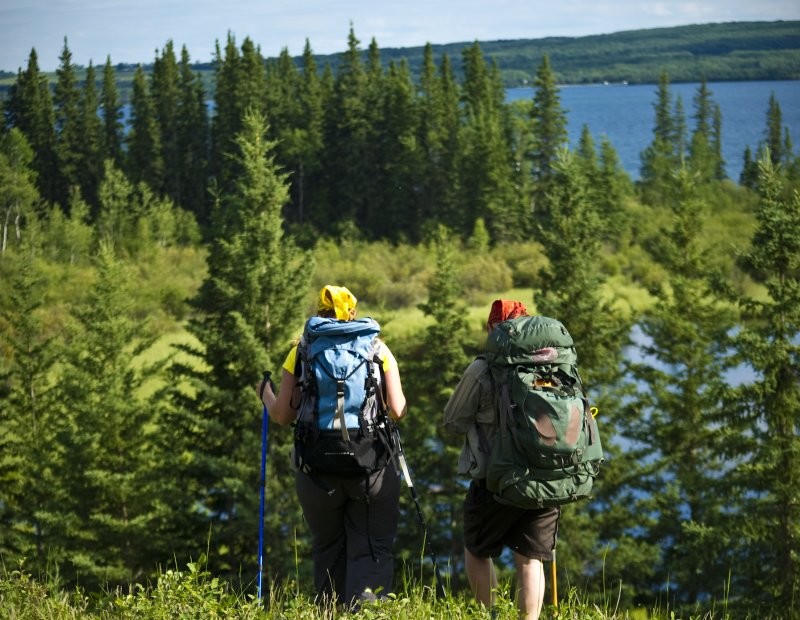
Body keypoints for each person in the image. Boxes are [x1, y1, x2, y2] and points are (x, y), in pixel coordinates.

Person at [257, 284, 407, 608]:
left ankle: (329, 611)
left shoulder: (302, 350)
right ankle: (366, 613)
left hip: (317, 469)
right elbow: (397, 409)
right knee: (371, 550)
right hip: (370, 467)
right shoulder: (377, 348)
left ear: (320, 311)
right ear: (352, 312)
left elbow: (282, 414)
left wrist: (264, 393)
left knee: (328, 549)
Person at [443, 299, 559, 620]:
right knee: (530, 558)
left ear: (491, 328)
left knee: (477, 550)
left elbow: (452, 421)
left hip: (495, 480)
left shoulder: (481, 369)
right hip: (544, 477)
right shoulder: (552, 363)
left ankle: (490, 616)